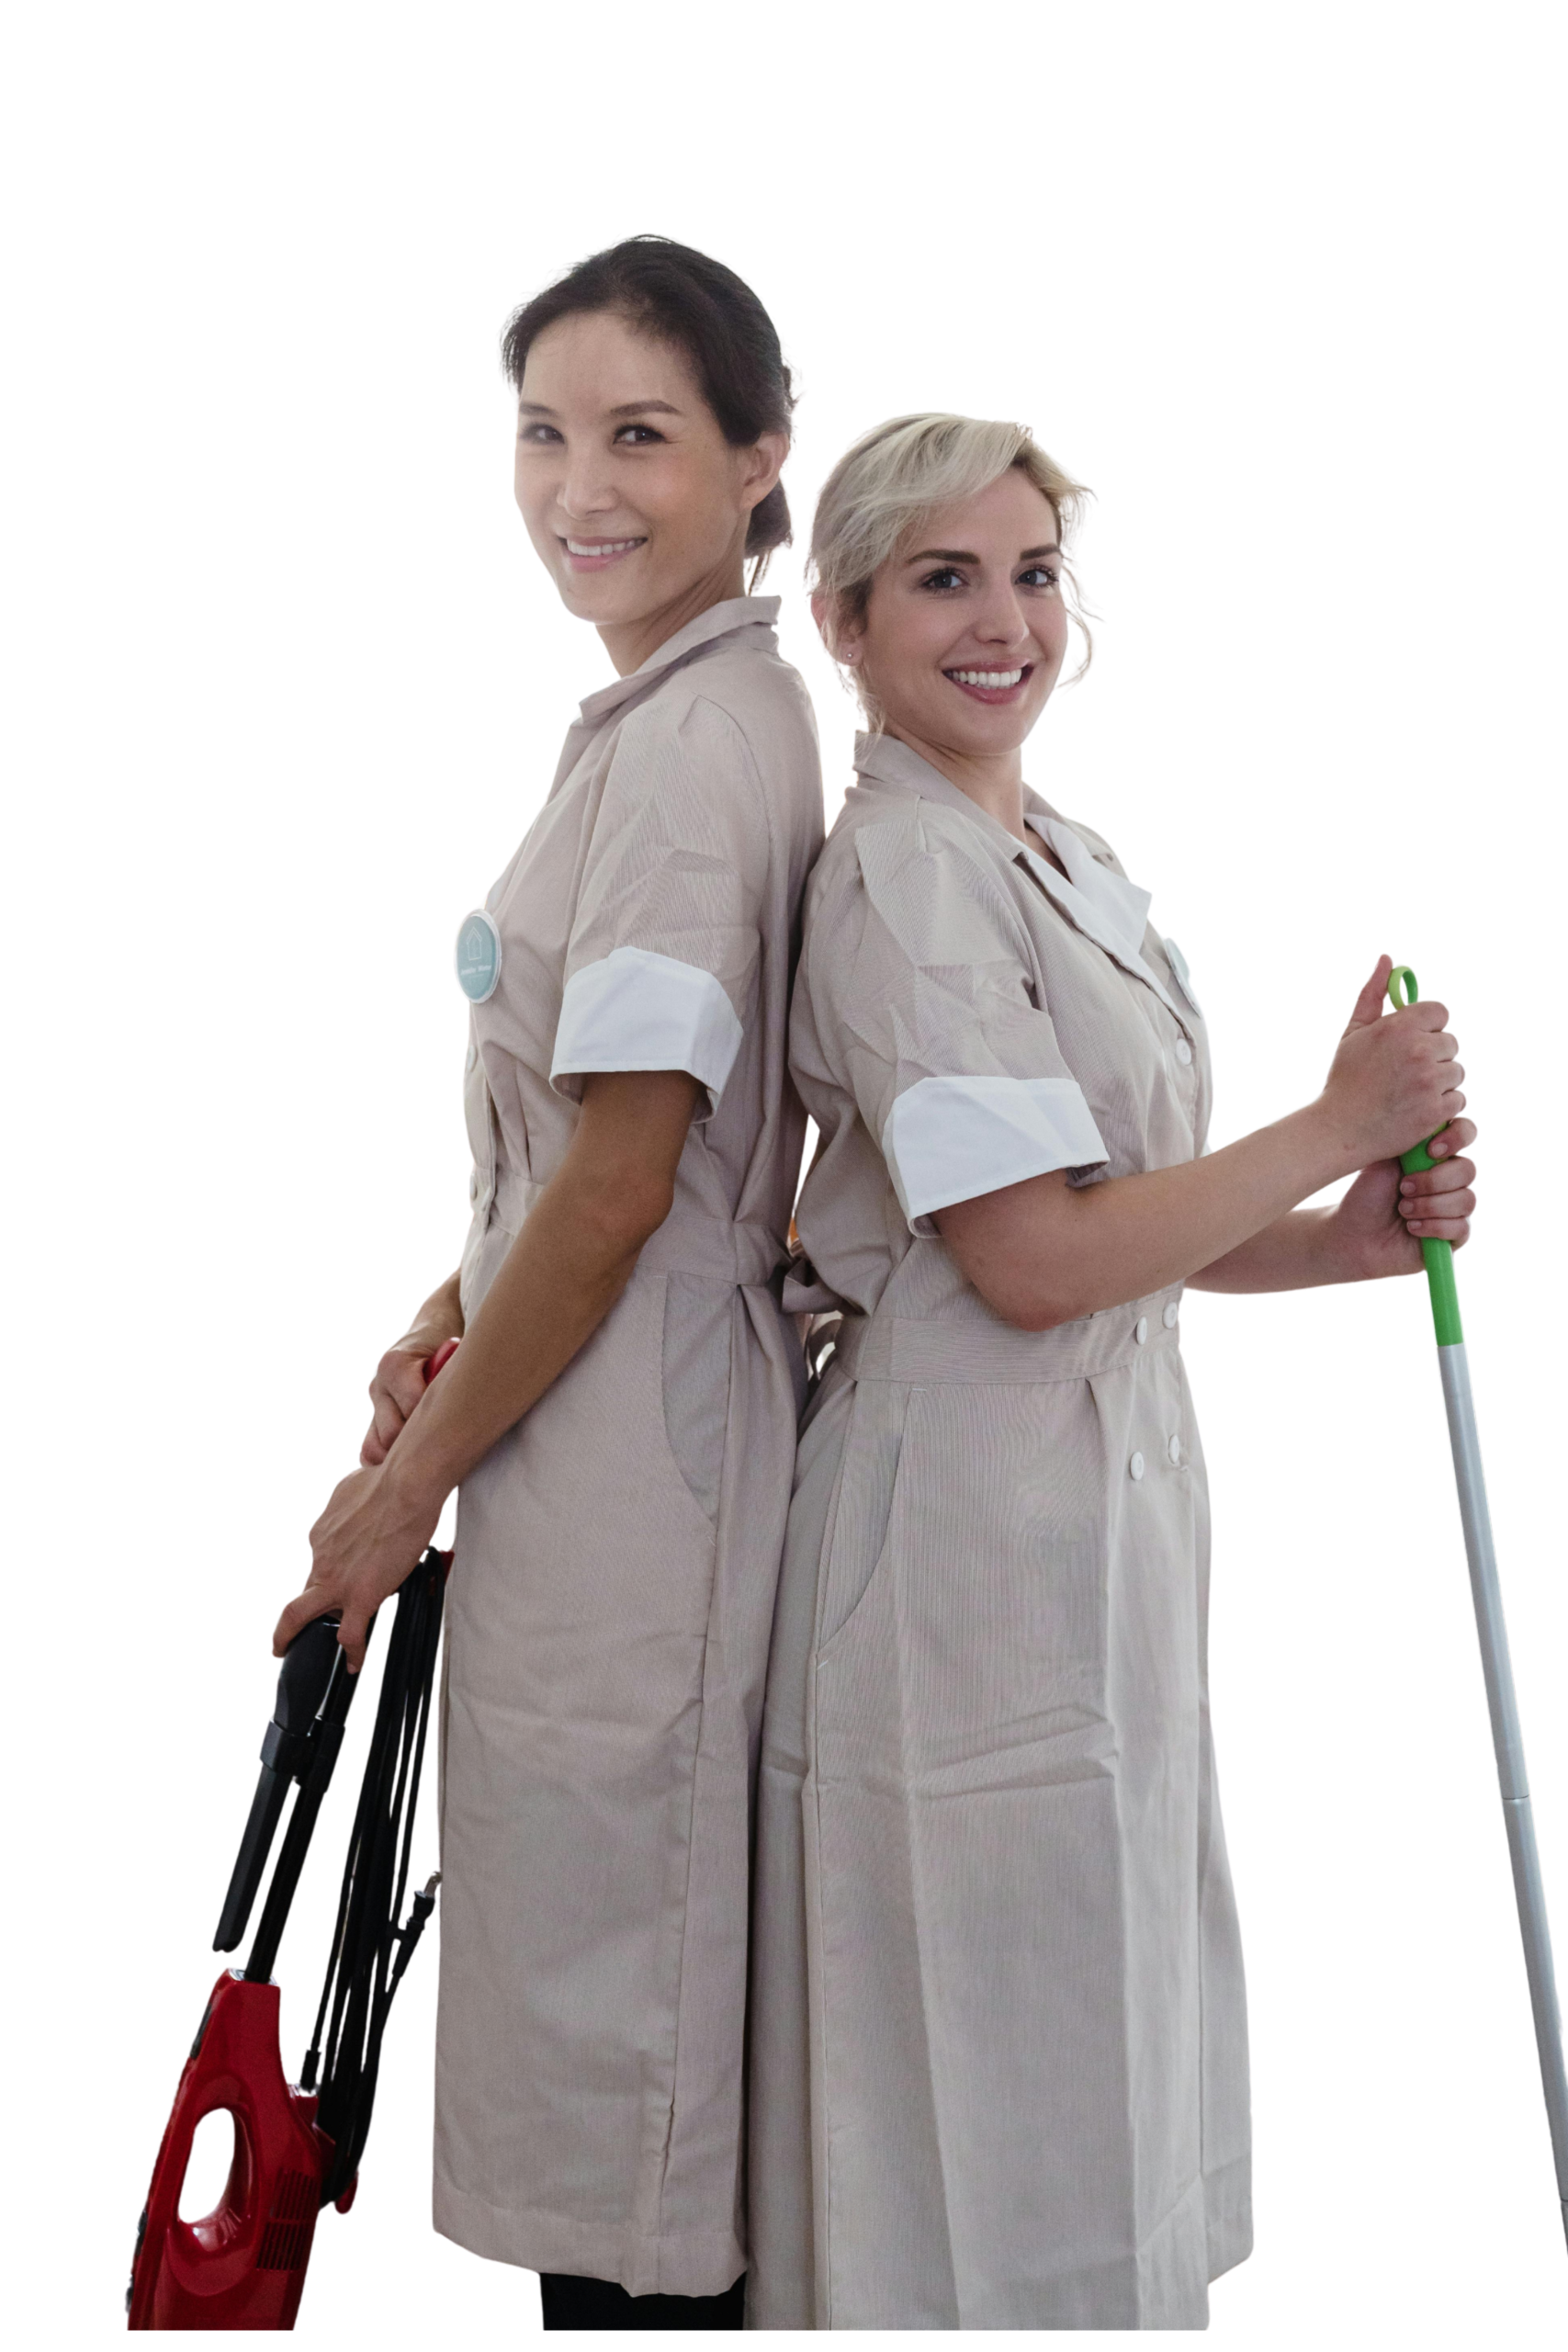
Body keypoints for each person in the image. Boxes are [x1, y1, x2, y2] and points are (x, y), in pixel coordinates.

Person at [745, 412, 1480, 2331]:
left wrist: (1336, 1237)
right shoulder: (901, 876)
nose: (1004, 620)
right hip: (951, 1548)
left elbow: (1121, 1216)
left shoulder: (1055, 850)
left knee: (1091, 2054)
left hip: (1096, 1518)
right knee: (966, 2097)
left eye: (1034, 572)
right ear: (840, 619)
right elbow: (1027, 1263)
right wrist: (1326, 1124)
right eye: (944, 578)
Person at [270, 234, 825, 2332]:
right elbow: (565, 1166)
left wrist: (394, 1501)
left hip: (630, 1457)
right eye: (541, 434)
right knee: (573, 2028)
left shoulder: (695, 749)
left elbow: (621, 1181)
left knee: (614, 2093)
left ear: (763, 458)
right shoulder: (657, 715)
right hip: (582, 1419)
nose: (578, 490)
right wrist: (447, 1304)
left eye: (640, 437)